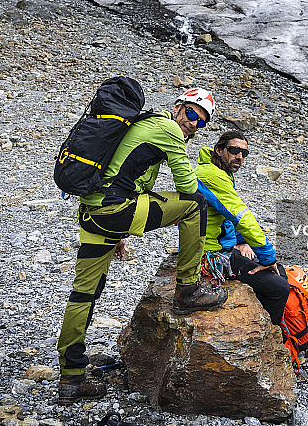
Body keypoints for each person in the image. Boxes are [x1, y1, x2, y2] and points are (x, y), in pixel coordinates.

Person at [57, 88, 227, 405]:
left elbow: (125, 174)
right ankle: (188, 289)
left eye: (201, 123)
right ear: (179, 107)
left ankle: (71, 378)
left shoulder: (146, 122)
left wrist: (119, 230)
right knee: (196, 206)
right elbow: (187, 188)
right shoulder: (169, 129)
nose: (193, 124)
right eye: (192, 114)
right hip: (114, 210)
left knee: (84, 294)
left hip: (95, 211)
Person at [195, 130, 290, 325]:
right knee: (279, 287)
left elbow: (226, 216)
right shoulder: (211, 177)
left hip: (221, 247)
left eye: (243, 153)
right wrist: (266, 255)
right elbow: (241, 217)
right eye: (234, 150)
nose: (239, 156)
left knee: (277, 270)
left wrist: (243, 242)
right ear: (219, 150)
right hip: (209, 255)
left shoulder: (219, 172)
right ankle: (268, 337)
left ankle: (261, 323)